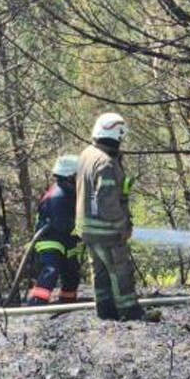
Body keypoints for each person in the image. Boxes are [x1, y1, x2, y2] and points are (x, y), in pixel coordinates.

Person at [75, 112, 147, 320]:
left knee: (100, 272)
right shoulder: (105, 163)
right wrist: (122, 225)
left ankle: (105, 311)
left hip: (87, 228)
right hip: (106, 228)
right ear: (118, 136)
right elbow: (107, 201)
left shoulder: (86, 154)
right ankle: (130, 310)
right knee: (120, 269)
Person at [27, 155, 83, 306]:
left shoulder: (69, 191)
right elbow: (62, 223)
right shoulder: (58, 196)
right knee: (51, 269)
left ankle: (68, 302)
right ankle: (36, 303)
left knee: (71, 272)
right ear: (70, 176)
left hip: (66, 239)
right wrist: (85, 228)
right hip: (50, 239)